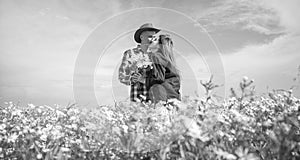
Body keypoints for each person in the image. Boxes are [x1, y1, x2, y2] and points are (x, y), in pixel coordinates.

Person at [118, 23, 160, 102]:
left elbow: (163, 78)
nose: (153, 39)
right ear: (141, 37)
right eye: (150, 36)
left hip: (156, 99)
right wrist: (132, 79)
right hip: (137, 99)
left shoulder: (158, 56)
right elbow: (122, 75)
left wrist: (145, 80)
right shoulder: (130, 53)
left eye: (154, 37)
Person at [147, 34, 181, 103]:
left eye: (155, 39)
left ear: (159, 45)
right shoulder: (169, 61)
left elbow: (158, 78)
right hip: (174, 99)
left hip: (162, 98)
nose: (152, 40)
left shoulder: (156, 57)